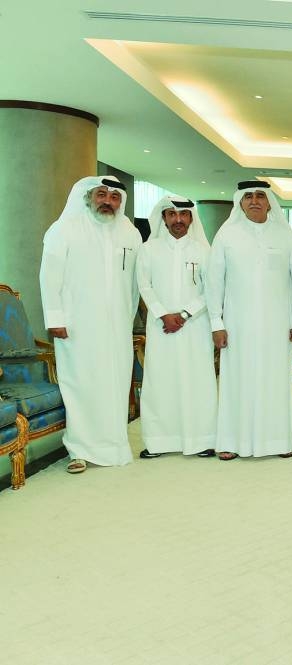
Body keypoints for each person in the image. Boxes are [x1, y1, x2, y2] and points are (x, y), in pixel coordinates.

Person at [39, 176, 141, 473]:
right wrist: (55, 318)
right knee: (81, 384)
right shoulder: (65, 229)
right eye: (102, 194)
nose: (108, 201)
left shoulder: (130, 233)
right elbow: (49, 276)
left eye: (114, 196)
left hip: (117, 326)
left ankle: (115, 445)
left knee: (115, 383)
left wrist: (127, 317)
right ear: (89, 196)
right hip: (76, 324)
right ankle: (79, 449)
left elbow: (133, 284)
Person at [205, 181, 292, 461]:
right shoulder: (227, 235)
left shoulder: (286, 236)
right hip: (237, 325)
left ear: (269, 201)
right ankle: (230, 441)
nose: (254, 201)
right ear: (240, 201)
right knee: (235, 382)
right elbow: (213, 282)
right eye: (248, 196)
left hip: (277, 325)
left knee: (275, 382)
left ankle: (278, 441)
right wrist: (216, 322)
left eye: (260, 196)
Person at [135, 195, 217, 459]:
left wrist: (183, 314)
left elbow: (211, 290)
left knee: (198, 380)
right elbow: (144, 285)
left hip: (195, 326)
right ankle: (159, 442)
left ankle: (202, 440)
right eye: (172, 214)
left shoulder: (204, 251)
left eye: (183, 215)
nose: (178, 220)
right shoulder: (149, 249)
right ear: (164, 218)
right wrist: (163, 315)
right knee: (160, 380)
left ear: (191, 218)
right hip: (161, 327)